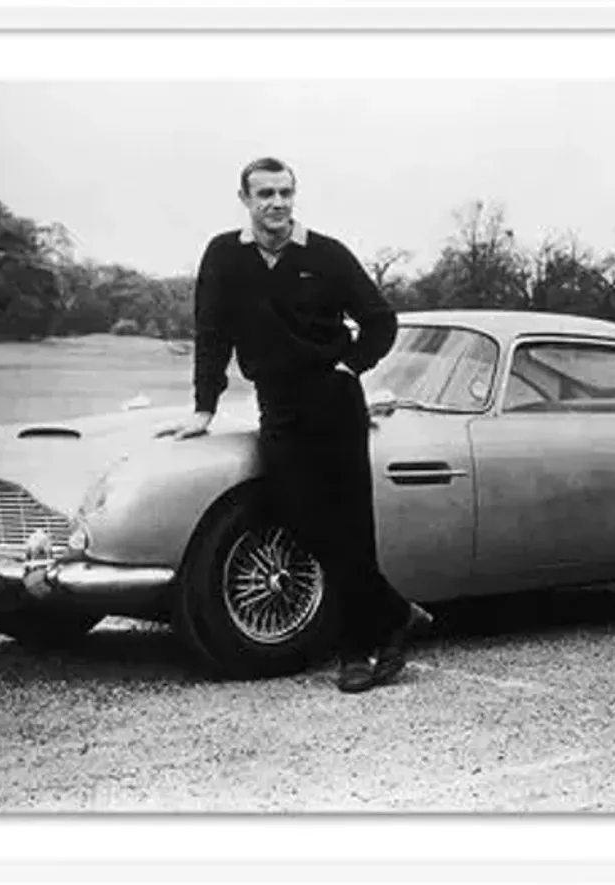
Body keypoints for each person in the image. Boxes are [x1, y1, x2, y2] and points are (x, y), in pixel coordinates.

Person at [174, 157, 431, 693]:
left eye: (285, 193)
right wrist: (204, 408)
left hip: (334, 400)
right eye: (265, 193)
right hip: (278, 403)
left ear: (295, 195)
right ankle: (395, 612)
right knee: (300, 516)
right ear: (244, 199)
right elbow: (212, 333)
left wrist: (350, 366)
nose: (277, 203)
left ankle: (356, 651)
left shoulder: (326, 254)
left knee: (351, 527)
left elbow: (380, 321)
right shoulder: (224, 256)